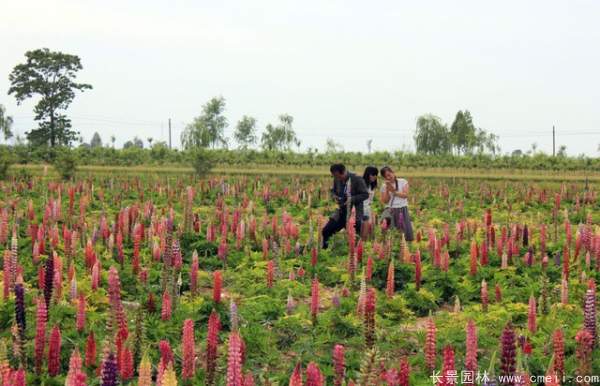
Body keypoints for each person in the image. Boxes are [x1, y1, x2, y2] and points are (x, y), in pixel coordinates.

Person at [321, 163, 369, 249]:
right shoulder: (337, 179)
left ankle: (354, 257)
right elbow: (333, 191)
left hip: (354, 213)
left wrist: (352, 199)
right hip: (341, 212)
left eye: (337, 176)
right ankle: (325, 252)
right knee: (326, 231)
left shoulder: (357, 179)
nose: (336, 178)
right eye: (334, 176)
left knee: (354, 238)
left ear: (343, 172)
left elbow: (365, 194)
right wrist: (334, 196)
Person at [379, 166, 414, 241]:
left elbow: (405, 195)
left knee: (404, 231)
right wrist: (387, 190)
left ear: (393, 172)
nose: (388, 177)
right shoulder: (384, 186)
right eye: (385, 176)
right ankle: (390, 247)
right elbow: (385, 201)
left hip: (402, 209)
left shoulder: (403, 181)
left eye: (389, 174)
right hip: (391, 210)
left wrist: (394, 191)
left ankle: (404, 248)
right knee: (390, 232)